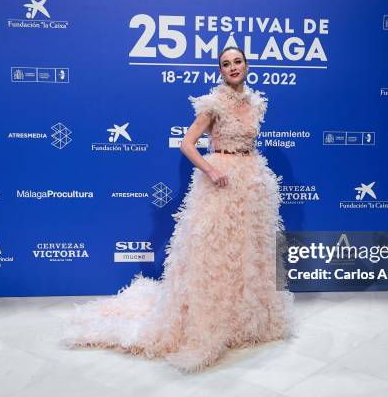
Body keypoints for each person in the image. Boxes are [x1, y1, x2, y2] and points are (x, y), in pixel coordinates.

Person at [61, 46, 294, 373]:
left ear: (247, 65)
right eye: (226, 64)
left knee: (246, 254)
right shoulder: (213, 105)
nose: (232, 68)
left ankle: (243, 320)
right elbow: (187, 144)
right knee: (215, 255)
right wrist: (211, 170)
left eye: (237, 62)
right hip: (221, 183)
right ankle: (210, 321)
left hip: (251, 183)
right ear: (220, 71)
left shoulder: (256, 103)